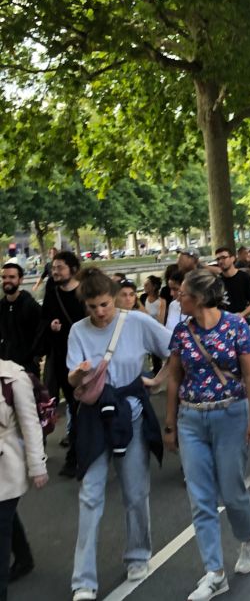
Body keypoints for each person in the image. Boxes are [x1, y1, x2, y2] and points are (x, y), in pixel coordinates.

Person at [66, 269, 172, 601]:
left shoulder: (136, 322)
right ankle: (83, 580)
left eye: (105, 304)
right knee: (90, 496)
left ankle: (138, 555)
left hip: (132, 413)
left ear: (116, 298)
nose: (100, 312)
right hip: (95, 417)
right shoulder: (77, 331)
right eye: (93, 306)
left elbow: (176, 348)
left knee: (135, 492)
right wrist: (77, 375)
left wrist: (158, 380)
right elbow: (73, 383)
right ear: (84, 305)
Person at [163, 269, 250, 601]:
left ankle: (249, 540)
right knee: (201, 498)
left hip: (230, 414)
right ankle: (214, 572)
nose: (177, 297)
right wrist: (170, 422)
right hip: (191, 417)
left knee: (232, 491)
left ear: (199, 298)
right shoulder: (182, 331)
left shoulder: (236, 326)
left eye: (182, 294)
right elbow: (175, 379)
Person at [0, 357, 48, 601]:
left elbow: (30, 425)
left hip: (8, 464)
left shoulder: (13, 377)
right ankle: (24, 557)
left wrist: (37, 466)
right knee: (5, 517)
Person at [39, 250, 86, 478]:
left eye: (60, 268)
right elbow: (44, 318)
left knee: (81, 407)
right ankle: (76, 456)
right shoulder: (52, 292)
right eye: (54, 268)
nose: (55, 271)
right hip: (60, 358)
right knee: (73, 408)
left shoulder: (84, 293)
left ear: (73, 269)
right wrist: (51, 324)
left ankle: (79, 456)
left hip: (82, 360)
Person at [0, 262, 43, 375]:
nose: (7, 280)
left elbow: (42, 331)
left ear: (20, 279)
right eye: (4, 277)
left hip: (27, 368)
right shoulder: (1, 306)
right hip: (4, 367)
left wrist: (35, 356)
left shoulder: (31, 306)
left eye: (12, 277)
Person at [214, 246, 250, 321]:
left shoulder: (244, 277)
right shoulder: (217, 281)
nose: (221, 261)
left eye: (223, 257)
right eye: (218, 259)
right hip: (223, 322)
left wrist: (241, 315)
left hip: (243, 320)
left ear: (233, 258)